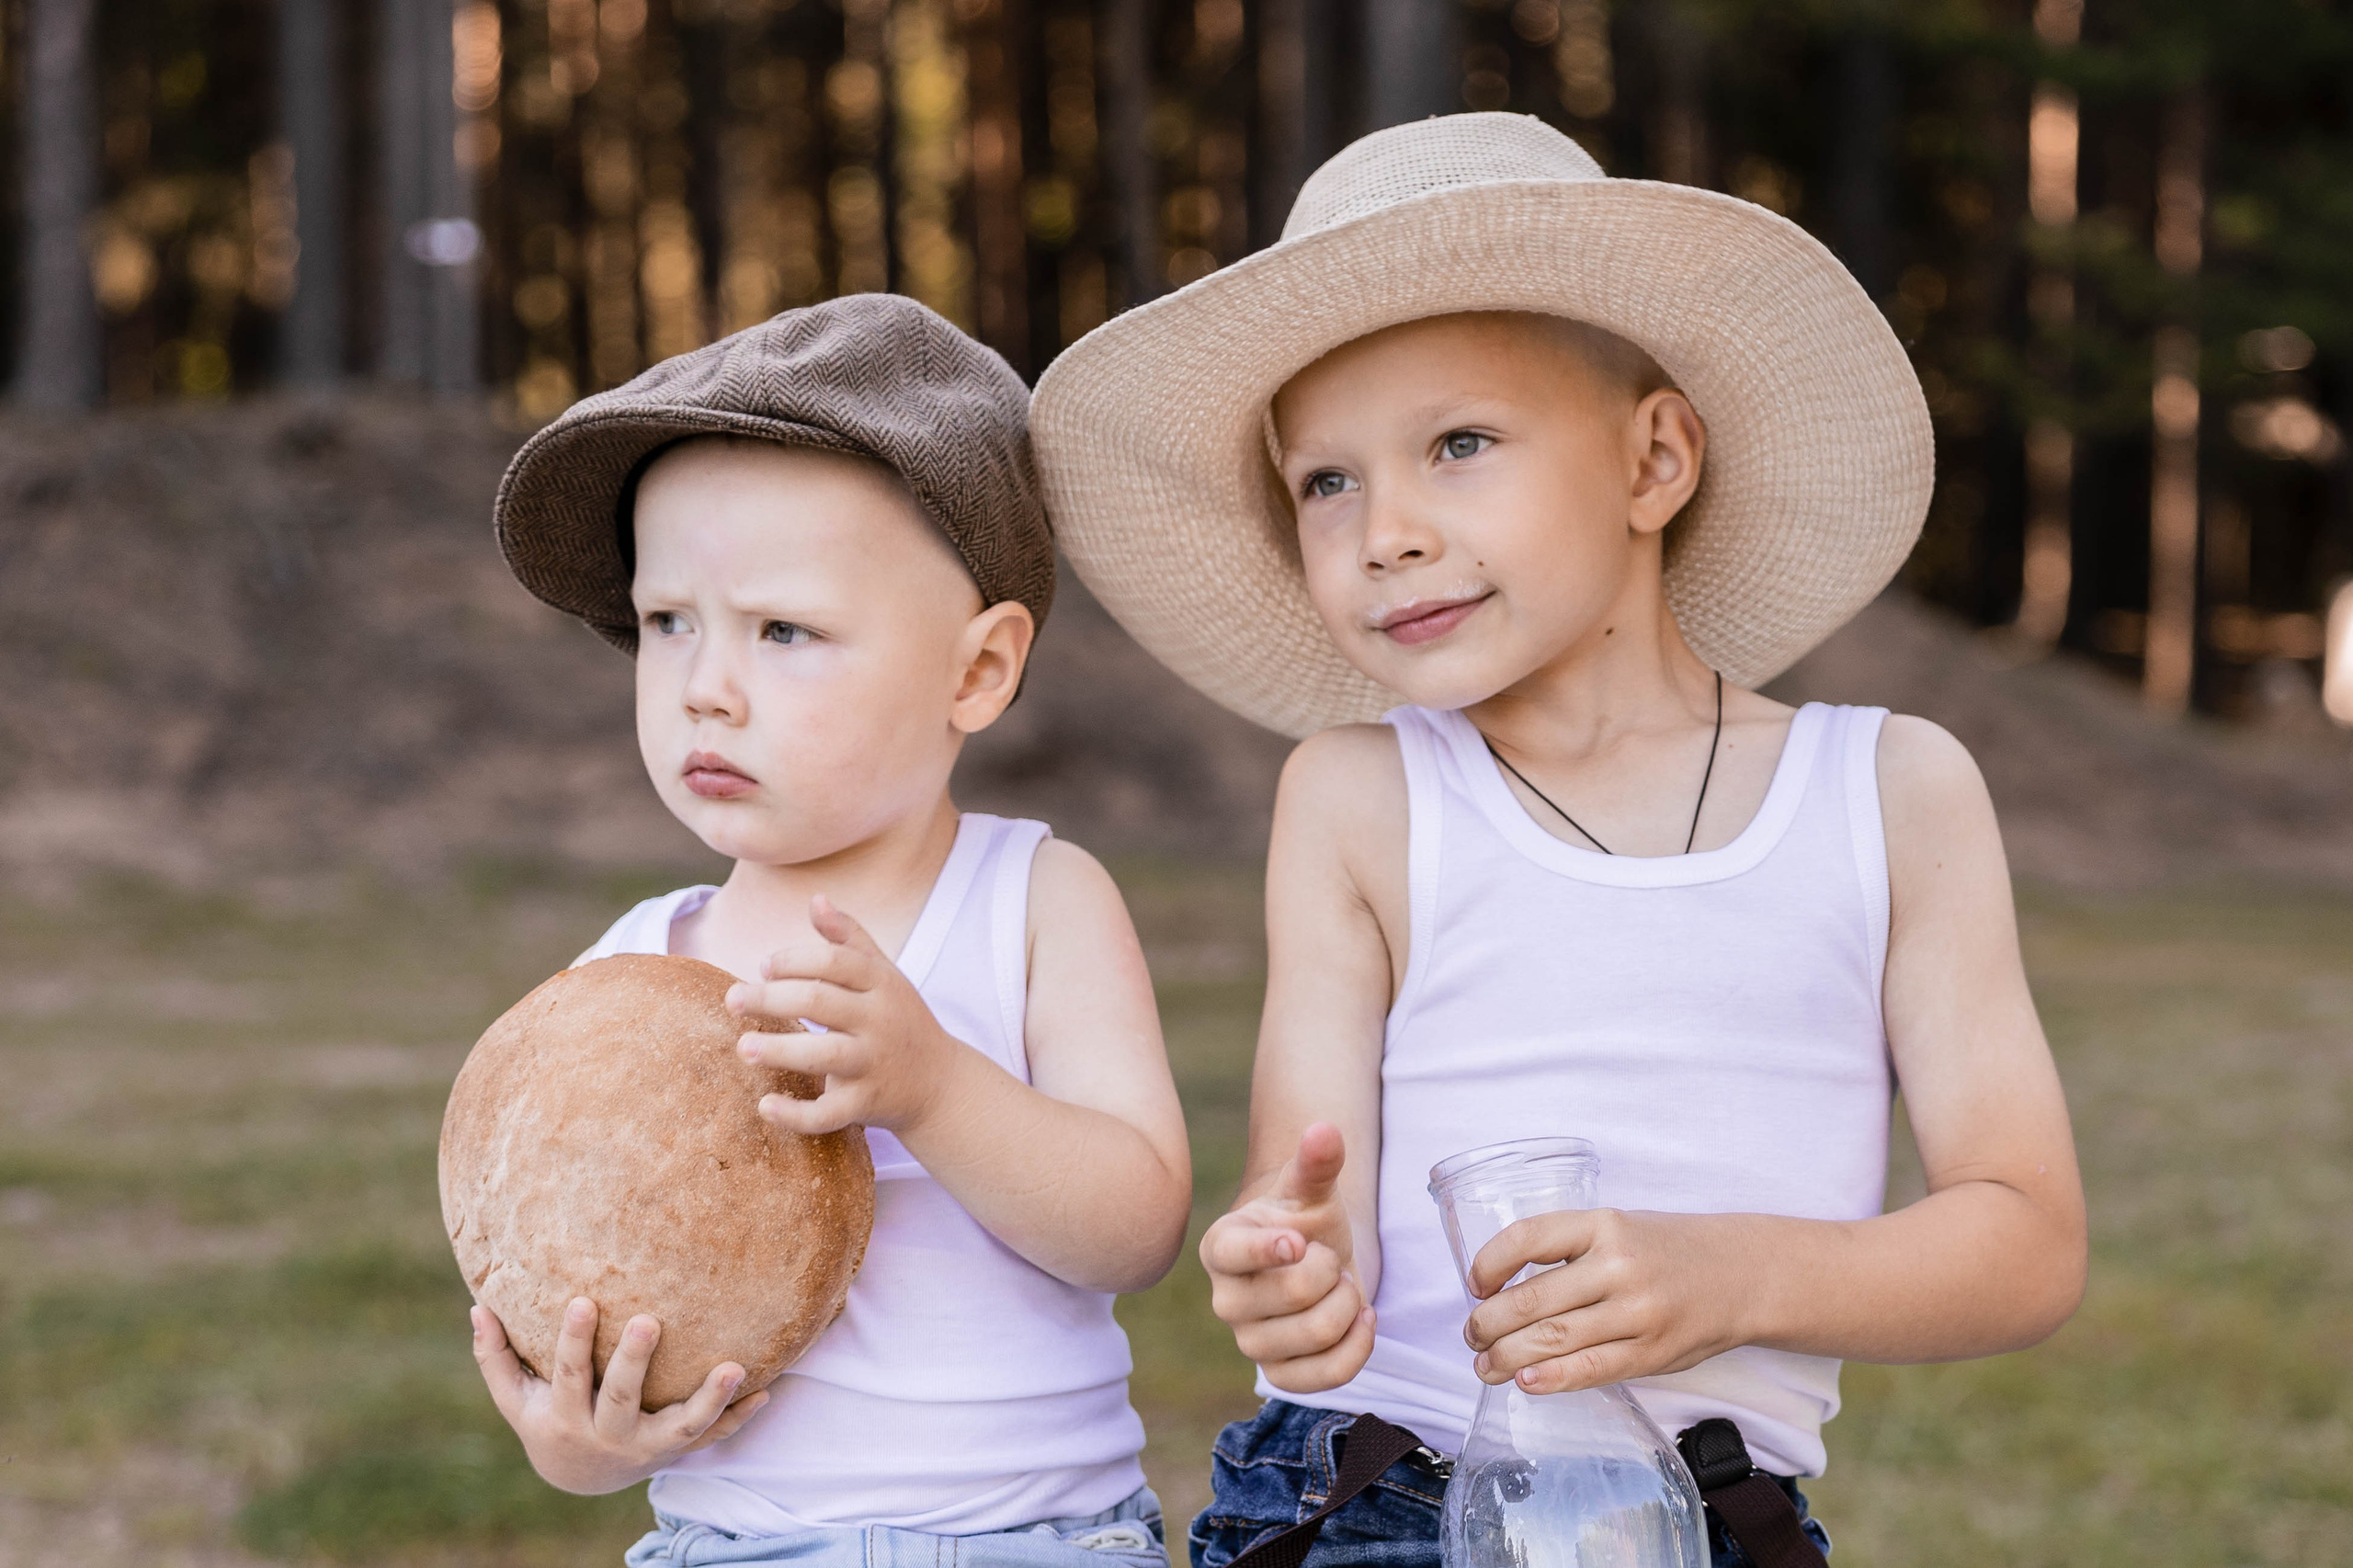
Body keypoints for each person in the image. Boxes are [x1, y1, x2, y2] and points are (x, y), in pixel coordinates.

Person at [1029, 114, 2087, 1567]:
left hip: (1712, 1517)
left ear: (1655, 459)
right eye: (1326, 481)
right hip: (1379, 1491)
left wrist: (1734, 1272)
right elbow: (1304, 1182)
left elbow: (2026, 1239)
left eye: (1458, 444)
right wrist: (1291, 1265)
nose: (1384, 532)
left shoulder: (1890, 792)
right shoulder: (1359, 796)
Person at [474, 295, 1192, 1568]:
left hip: (1031, 1543)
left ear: (976, 670)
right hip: (732, 1547)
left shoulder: (1035, 900)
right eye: (668, 622)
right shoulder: (627, 985)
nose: (705, 687)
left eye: (784, 630)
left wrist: (936, 1088)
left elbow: (1136, 1230)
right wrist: (580, 1442)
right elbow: (562, 1339)